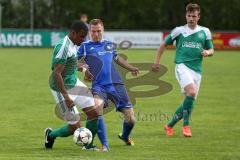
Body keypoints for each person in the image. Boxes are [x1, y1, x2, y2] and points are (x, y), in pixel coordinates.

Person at [152, 3, 214, 137]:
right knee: (191, 92)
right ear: (186, 16)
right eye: (189, 15)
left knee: (189, 101)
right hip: (182, 66)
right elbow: (163, 45)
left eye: (194, 16)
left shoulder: (205, 32)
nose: (191, 18)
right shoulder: (179, 31)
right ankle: (186, 125)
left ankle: (169, 125)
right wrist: (157, 62)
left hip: (197, 71)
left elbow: (211, 49)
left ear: (199, 17)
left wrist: (207, 53)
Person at [77, 19, 139, 150]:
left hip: (116, 85)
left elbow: (117, 58)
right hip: (99, 86)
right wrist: (84, 69)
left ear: (103, 31)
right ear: (89, 32)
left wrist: (131, 68)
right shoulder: (85, 46)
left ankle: (125, 136)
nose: (96, 34)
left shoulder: (109, 45)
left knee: (131, 119)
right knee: (96, 109)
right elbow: (73, 62)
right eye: (93, 31)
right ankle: (103, 145)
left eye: (99, 31)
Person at [45, 20, 99, 151]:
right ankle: (50, 135)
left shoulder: (74, 44)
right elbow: (57, 73)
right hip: (61, 88)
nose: (83, 39)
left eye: (84, 37)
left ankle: (88, 146)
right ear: (73, 33)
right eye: (81, 36)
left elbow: (71, 64)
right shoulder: (63, 47)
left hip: (74, 82)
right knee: (74, 128)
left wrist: (84, 70)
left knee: (94, 113)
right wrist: (67, 98)